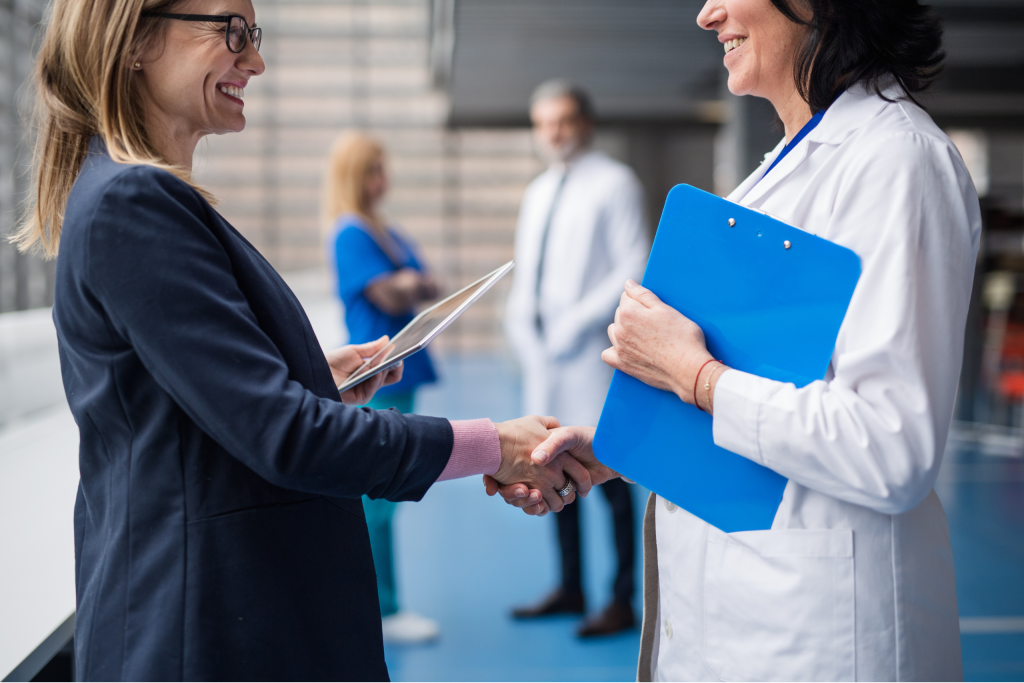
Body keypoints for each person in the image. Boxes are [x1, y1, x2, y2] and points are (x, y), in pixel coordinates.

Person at [12, 0, 608, 678]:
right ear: (133, 40)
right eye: (232, 32)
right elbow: (285, 437)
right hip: (201, 630)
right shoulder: (135, 206)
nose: (255, 61)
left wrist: (311, 379)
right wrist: (493, 445)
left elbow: (194, 411)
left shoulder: (130, 198)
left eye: (254, 35)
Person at [493, 0, 979, 679]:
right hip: (734, 619)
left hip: (817, 632)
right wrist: (621, 452)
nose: (706, 13)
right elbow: (772, 388)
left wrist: (692, 375)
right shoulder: (781, 169)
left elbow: (891, 444)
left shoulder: (898, 162)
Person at [501, 80, 650, 636]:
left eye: (563, 121)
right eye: (544, 123)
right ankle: (570, 586)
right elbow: (526, 269)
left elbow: (630, 262)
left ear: (584, 123)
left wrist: (576, 320)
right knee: (545, 466)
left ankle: (619, 599)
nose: (554, 133)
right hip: (545, 357)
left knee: (605, 473)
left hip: (591, 354)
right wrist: (523, 324)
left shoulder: (615, 183)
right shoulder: (539, 191)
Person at [323, 131, 441, 644]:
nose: (382, 181)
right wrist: (408, 281)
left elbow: (421, 283)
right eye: (373, 171)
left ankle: (380, 605)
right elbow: (394, 294)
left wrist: (407, 282)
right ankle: (382, 609)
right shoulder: (350, 233)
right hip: (372, 376)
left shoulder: (381, 232)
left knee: (386, 499)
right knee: (378, 500)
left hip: (399, 372)